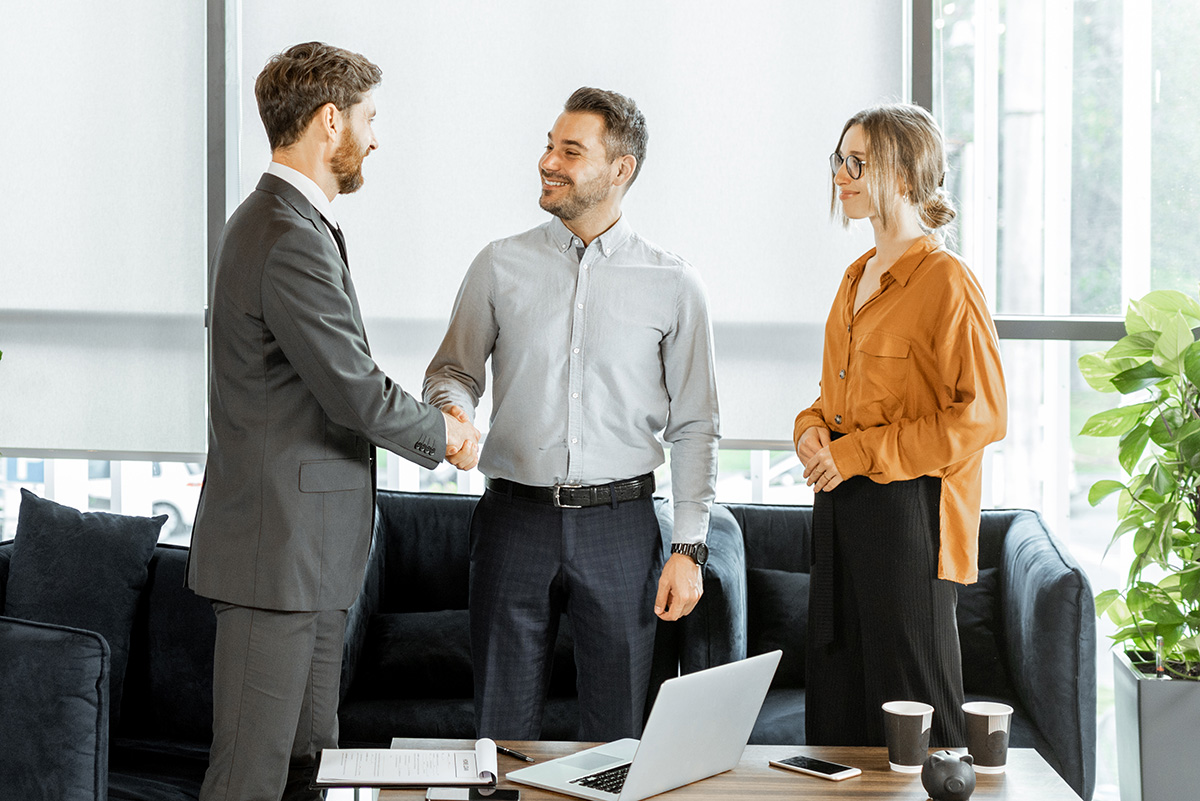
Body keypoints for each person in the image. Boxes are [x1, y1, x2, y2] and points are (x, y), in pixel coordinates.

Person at [186, 42, 480, 801]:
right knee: (250, 779)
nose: (375, 137)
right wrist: (443, 434)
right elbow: (352, 387)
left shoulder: (290, 223)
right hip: (273, 555)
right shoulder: (283, 234)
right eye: (368, 118)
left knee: (308, 770)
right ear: (329, 121)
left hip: (307, 560)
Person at [424, 87, 719, 741]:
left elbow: (696, 422)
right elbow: (453, 372)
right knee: (499, 739)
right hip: (511, 523)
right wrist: (454, 411)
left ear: (621, 170)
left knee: (617, 740)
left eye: (570, 150)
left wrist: (689, 549)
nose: (548, 161)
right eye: (548, 145)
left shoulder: (674, 284)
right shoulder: (499, 264)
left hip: (622, 528)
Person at [793, 103, 1007, 748]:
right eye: (840, 160)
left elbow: (982, 415)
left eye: (859, 162)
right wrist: (808, 429)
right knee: (835, 702)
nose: (842, 175)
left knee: (914, 712)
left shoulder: (947, 281)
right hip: (839, 507)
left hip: (909, 511)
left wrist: (858, 453)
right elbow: (838, 401)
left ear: (908, 178)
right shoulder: (855, 276)